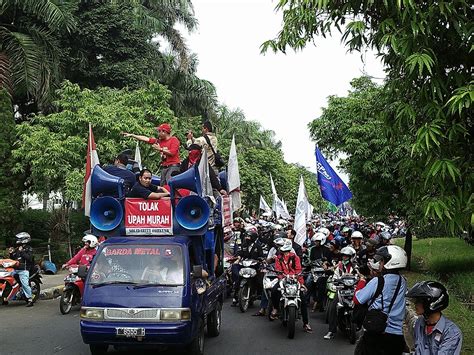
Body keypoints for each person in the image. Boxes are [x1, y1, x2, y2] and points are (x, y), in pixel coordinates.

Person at [354, 245, 408, 355]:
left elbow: (358, 300)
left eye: (382, 261)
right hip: (397, 336)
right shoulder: (403, 282)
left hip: (376, 334)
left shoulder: (378, 281)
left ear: (390, 262)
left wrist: (362, 280)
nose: (380, 264)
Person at [407, 281, 462, 355]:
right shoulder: (419, 323)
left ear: (431, 303)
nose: (415, 304)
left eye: (419, 301)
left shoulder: (451, 332)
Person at [269, 239, 312, 333]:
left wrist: (301, 283)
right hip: (283, 279)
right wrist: (282, 278)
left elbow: (298, 270)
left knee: (303, 300)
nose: (286, 254)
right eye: (284, 252)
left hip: (295, 280)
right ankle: (276, 308)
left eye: (287, 252)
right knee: (274, 290)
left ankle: (306, 323)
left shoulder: (295, 257)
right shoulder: (278, 258)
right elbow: (278, 270)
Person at [324, 246, 357, 339]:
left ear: (351, 257)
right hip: (341, 290)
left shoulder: (355, 267)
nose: (344, 258)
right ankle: (331, 331)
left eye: (347, 256)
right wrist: (335, 281)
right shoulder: (339, 266)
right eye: (343, 256)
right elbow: (335, 277)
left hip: (353, 290)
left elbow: (359, 276)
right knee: (332, 308)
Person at [231, 230, 264, 306]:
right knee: (238, 280)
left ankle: (259, 294)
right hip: (245, 266)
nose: (247, 238)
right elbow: (240, 253)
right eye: (246, 236)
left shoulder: (258, 246)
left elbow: (261, 256)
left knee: (259, 280)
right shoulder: (244, 245)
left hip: (254, 266)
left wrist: (260, 260)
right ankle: (235, 297)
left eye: (249, 236)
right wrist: (238, 259)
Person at [8, 232, 34, 307]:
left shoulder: (29, 248)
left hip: (24, 270)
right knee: (7, 279)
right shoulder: (17, 248)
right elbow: (13, 259)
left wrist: (22, 251)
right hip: (15, 269)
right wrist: (11, 253)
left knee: (25, 284)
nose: (17, 240)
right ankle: (5, 297)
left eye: (19, 239)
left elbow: (29, 258)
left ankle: (30, 299)